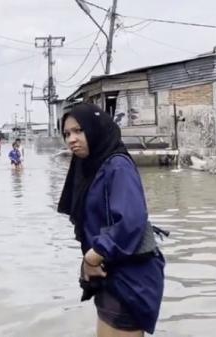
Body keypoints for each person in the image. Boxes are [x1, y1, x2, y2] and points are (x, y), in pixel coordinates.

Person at [58, 103, 165, 337]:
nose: (71, 139)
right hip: (111, 273)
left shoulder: (117, 166)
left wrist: (92, 257)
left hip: (130, 276)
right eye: (67, 134)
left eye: (79, 131)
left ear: (95, 129)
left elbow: (131, 221)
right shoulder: (91, 166)